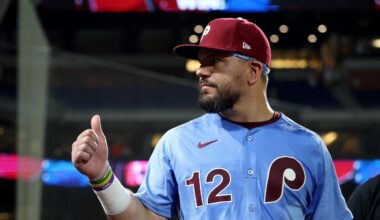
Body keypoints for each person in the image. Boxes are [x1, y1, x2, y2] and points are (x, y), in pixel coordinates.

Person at [71, 17, 353, 219]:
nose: (200, 70)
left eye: (214, 61)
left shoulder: (309, 146)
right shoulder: (177, 142)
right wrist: (102, 177)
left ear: (253, 72)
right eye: (201, 60)